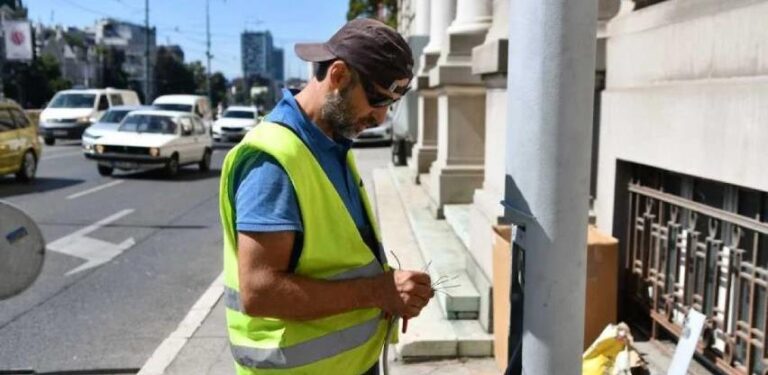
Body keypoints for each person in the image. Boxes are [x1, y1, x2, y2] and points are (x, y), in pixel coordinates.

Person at [219, 19, 434, 375]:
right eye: (378, 99)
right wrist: (377, 292)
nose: (380, 116)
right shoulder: (274, 160)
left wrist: (393, 288)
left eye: (392, 103)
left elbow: (335, 259)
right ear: (338, 76)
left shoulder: (332, 145)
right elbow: (259, 292)